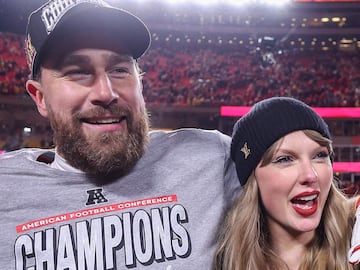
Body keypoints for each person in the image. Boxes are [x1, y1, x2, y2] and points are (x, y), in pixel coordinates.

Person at [0, 0, 241, 269]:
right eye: (77, 72)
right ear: (40, 97)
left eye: (119, 70)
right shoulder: (6, 188)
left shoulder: (211, 158)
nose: (106, 93)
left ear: (140, 82)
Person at [213, 97, 360, 270]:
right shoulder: (224, 259)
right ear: (253, 181)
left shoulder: (355, 237)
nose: (310, 175)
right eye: (284, 159)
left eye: (319, 155)